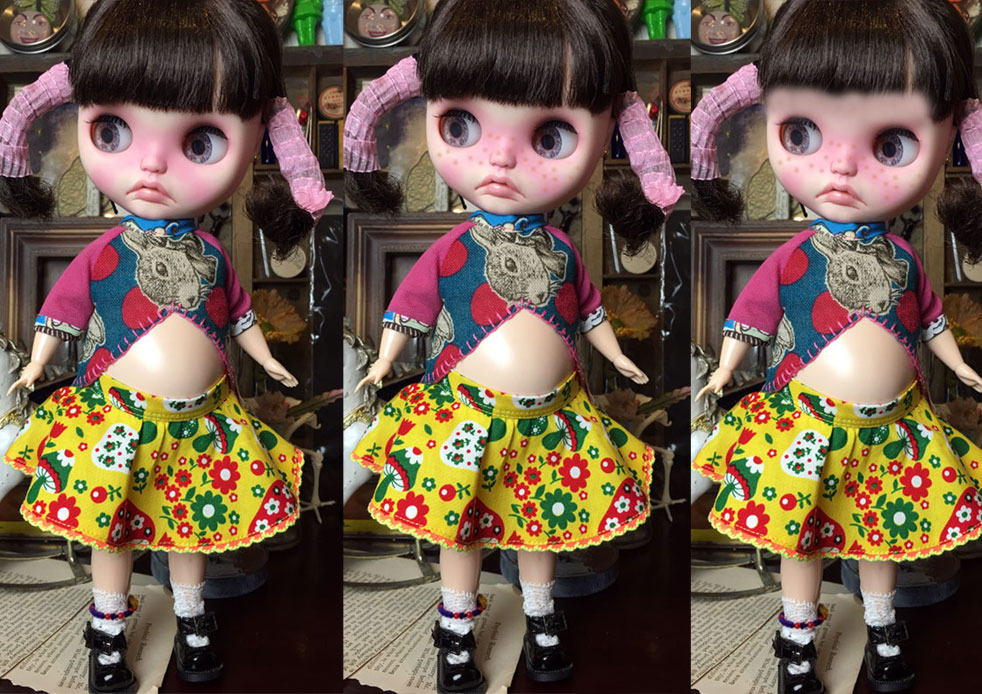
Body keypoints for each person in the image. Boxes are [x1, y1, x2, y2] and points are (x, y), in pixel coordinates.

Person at [344, 0, 682, 691]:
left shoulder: (560, 249)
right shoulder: (452, 249)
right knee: (459, 526)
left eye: (549, 136)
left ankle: (541, 615)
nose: (500, 158)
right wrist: (383, 360)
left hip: (550, 416)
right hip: (464, 414)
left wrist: (617, 355)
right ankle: (456, 628)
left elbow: (589, 312)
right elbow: (409, 311)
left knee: (542, 521)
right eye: (462, 126)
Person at [0, 0, 330, 691]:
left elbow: (238, 317)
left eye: (199, 142)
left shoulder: (213, 254)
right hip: (115, 418)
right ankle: (108, 628)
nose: (152, 165)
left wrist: (268, 359)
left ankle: (191, 617)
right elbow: (61, 316)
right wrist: (36, 365)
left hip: (200, 422)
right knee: (111, 529)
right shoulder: (104, 254)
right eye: (114, 131)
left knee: (192, 525)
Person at [690, 1, 982, 692]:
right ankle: (797, 637)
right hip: (805, 428)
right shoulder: (793, 258)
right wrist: (725, 370)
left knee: (881, 531)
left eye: (891, 144)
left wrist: (962, 366)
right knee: (802, 537)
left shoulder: (904, 260)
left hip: (891, 429)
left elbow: (931, 322)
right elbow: (751, 318)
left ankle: (881, 628)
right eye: (804, 134)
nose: (842, 167)